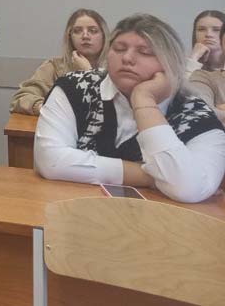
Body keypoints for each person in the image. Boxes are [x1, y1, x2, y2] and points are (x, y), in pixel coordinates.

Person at [34, 13, 225, 203]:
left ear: (171, 63)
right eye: (119, 48)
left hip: (157, 219)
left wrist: (144, 101)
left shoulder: (196, 114)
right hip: (72, 208)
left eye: (145, 52)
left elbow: (189, 188)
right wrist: (152, 177)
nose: (127, 58)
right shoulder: (75, 87)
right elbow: (50, 160)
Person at [10, 9, 108, 115]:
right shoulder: (54, 67)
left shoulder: (115, 68)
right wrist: (45, 108)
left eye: (93, 31)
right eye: (77, 31)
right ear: (70, 37)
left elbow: (109, 108)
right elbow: (21, 98)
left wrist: (88, 73)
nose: (85, 36)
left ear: (104, 36)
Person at [189, 27, 225, 122]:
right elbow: (202, 113)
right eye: (201, 29)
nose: (208, 34)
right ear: (222, 44)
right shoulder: (203, 78)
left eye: (215, 29)